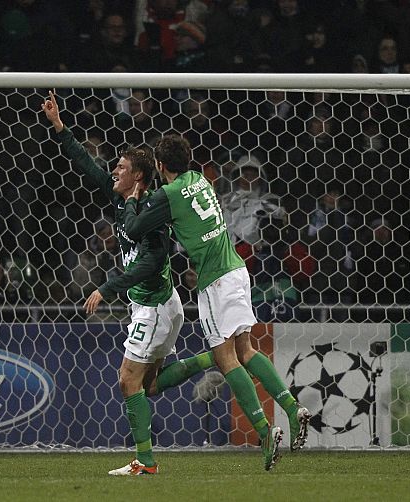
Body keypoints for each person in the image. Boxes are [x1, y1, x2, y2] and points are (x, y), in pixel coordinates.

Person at [41, 91, 216, 476]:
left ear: (137, 175)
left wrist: (107, 288)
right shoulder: (122, 199)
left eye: (120, 168)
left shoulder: (150, 207)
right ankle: (214, 359)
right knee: (148, 386)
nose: (113, 171)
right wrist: (59, 127)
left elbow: (154, 260)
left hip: (152, 305)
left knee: (126, 380)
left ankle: (146, 462)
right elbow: (86, 165)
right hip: (160, 304)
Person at [121, 133, 310, 471]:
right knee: (246, 350)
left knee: (226, 361)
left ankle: (265, 432)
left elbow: (134, 228)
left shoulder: (169, 193)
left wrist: (135, 198)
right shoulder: (199, 180)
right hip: (237, 270)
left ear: (161, 166)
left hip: (215, 282)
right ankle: (293, 408)